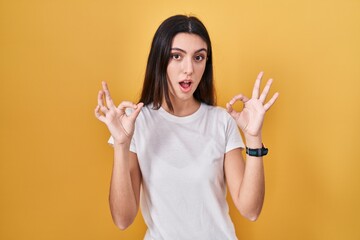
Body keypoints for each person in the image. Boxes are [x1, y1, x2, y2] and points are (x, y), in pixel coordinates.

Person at [95, 15, 279, 240]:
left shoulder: (222, 121)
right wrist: (121, 145)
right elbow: (122, 219)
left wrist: (253, 137)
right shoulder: (136, 123)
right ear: (160, 60)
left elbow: (250, 210)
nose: (189, 69)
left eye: (199, 57)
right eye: (176, 56)